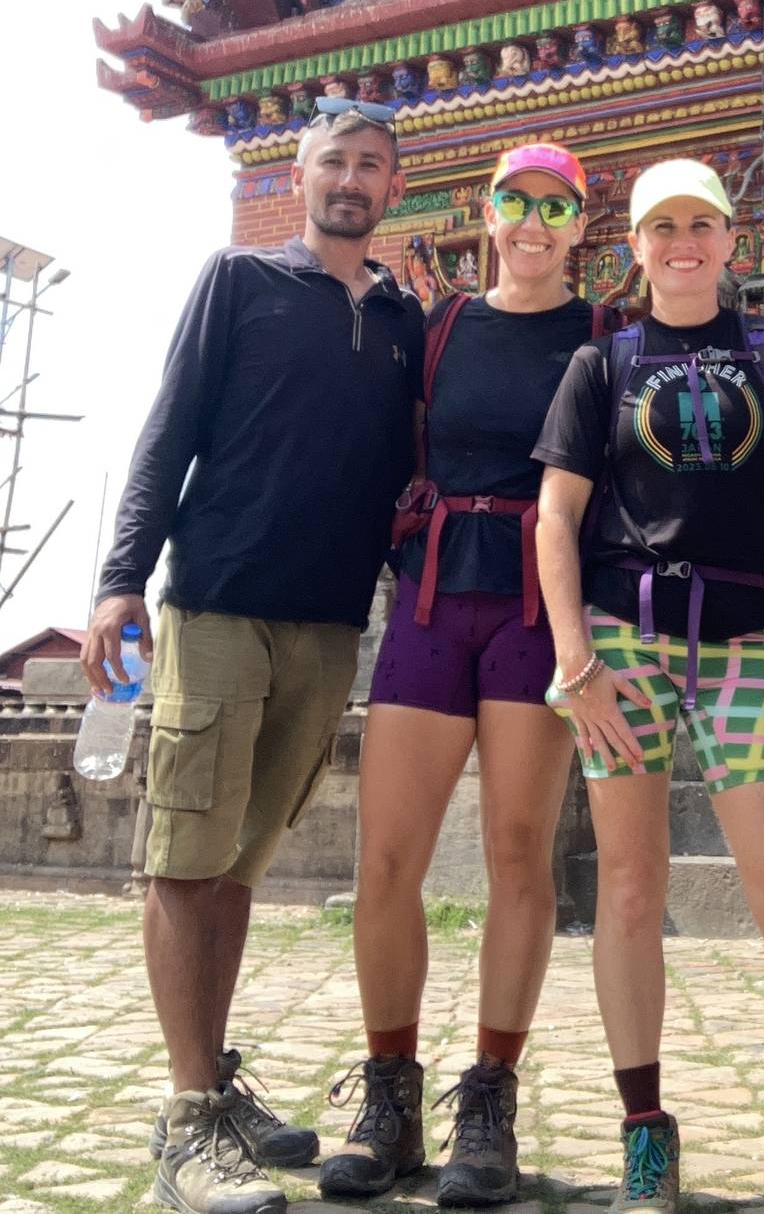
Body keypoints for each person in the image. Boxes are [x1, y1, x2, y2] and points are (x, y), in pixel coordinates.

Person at [532, 158, 764, 1214]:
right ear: (635, 247)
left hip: (743, 648)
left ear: (734, 241)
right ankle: (644, 1130)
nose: (683, 243)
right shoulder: (603, 365)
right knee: (629, 888)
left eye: (702, 224)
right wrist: (574, 661)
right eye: (663, 227)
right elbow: (555, 516)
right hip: (622, 649)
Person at [81, 97, 422, 1214]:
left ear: (394, 188)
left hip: (330, 626)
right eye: (335, 160)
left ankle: (215, 1084)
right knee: (184, 857)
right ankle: (187, 1126)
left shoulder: (408, 322)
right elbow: (168, 429)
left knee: (239, 864)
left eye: (371, 165)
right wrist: (120, 580)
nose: (351, 180)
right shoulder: (238, 281)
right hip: (219, 603)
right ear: (299, 173)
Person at [320, 144, 600, 1208]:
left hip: (537, 607)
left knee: (519, 853)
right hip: (434, 599)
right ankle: (389, 1095)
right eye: (515, 201)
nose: (532, 222)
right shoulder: (438, 328)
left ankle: (489, 1101)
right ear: (487, 213)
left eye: (555, 207)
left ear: (581, 225)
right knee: (387, 857)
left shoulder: (604, 337)